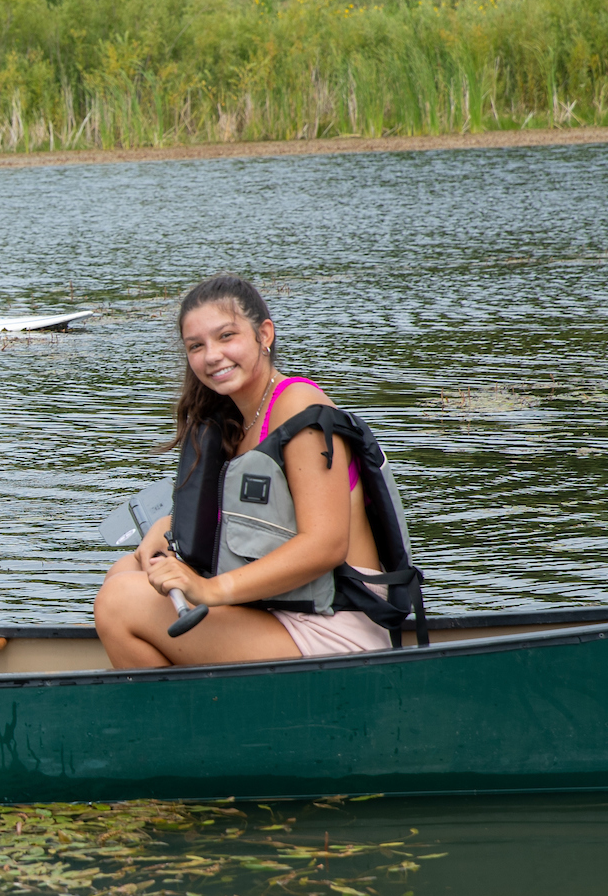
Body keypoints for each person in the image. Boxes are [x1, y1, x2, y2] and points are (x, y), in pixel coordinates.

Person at [94, 274, 421, 668]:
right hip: (278, 613)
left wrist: (210, 589)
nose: (211, 355)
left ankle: (181, 724)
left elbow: (325, 544)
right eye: (196, 346)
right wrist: (164, 527)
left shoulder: (300, 409)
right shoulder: (234, 420)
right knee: (126, 570)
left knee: (119, 602)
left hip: (335, 625)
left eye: (226, 336)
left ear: (264, 334)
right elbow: (247, 516)